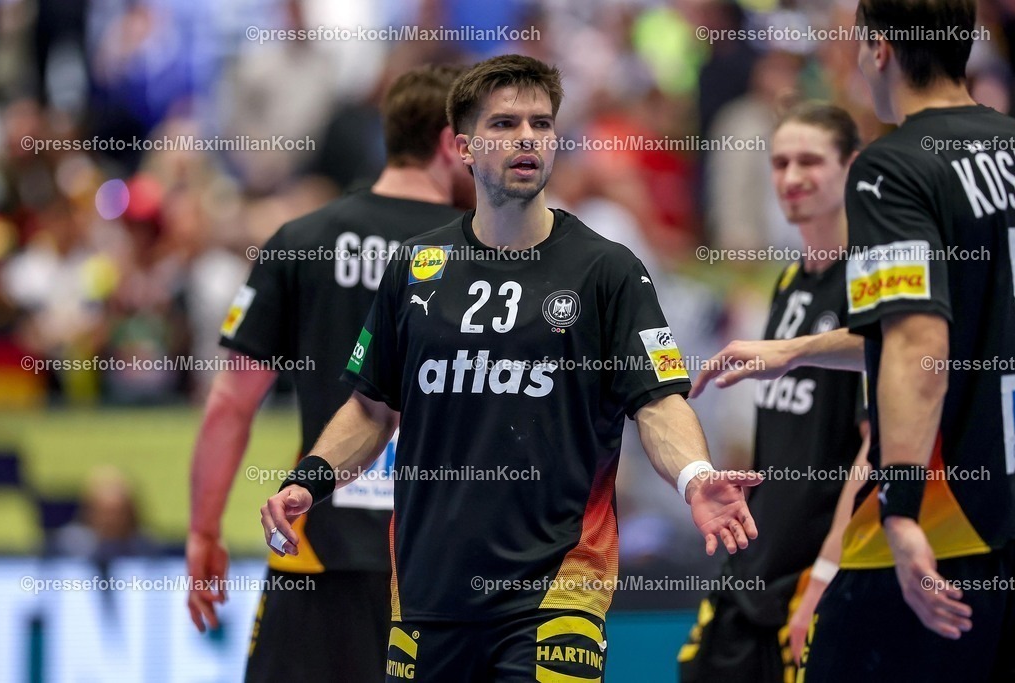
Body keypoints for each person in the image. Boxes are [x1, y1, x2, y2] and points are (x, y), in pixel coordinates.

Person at [260, 54, 763, 682]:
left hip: (556, 590)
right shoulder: (414, 266)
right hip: (426, 595)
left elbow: (658, 401)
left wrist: (695, 476)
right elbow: (372, 407)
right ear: (463, 147)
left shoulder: (607, 270)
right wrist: (310, 480)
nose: (527, 137)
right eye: (504, 124)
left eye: (540, 124)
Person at [696, 0, 1015, 678]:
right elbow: (946, 322)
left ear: (880, 50)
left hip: (950, 521)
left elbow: (917, 343)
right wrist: (792, 351)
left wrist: (902, 511)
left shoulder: (893, 167)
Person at [186, 64, 474, 683]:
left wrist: (204, 531)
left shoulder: (302, 239)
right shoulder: (486, 258)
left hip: (317, 548)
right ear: (451, 143)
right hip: (448, 560)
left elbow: (230, 402)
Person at [679, 103, 870, 683]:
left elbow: (875, 447)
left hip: (814, 571)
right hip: (754, 562)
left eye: (810, 161)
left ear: (852, 166)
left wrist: (826, 573)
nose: (792, 177)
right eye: (780, 162)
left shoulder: (870, 281)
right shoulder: (787, 281)